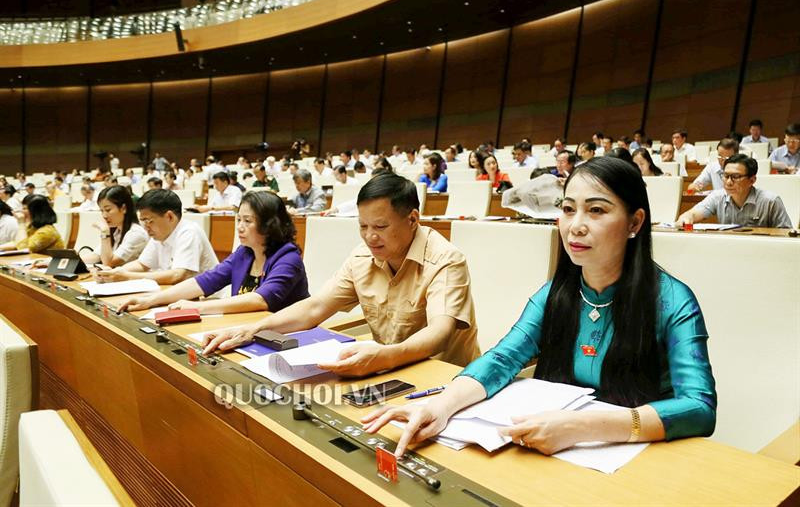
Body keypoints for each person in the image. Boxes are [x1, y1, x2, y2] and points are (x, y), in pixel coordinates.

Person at [363, 157, 717, 457]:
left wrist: (582, 427)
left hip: (638, 456)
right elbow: (503, 358)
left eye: (596, 210)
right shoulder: (557, 293)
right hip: (554, 451)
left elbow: (700, 409)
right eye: (567, 209)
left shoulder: (671, 300)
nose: (575, 226)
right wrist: (440, 406)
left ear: (634, 223)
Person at [202, 173, 480, 375]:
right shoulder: (363, 257)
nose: (370, 237)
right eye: (363, 226)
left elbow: (439, 333)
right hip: (384, 370)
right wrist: (252, 330)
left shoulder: (445, 260)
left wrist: (384, 357)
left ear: (413, 219)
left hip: (445, 379)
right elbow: (316, 307)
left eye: (380, 227)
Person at [119, 192, 309, 315]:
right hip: (245, 327)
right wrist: (150, 300)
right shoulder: (244, 254)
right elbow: (204, 281)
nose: (239, 227)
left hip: (285, 337)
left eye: (247, 221)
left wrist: (198, 307)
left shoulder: (288, 258)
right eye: (238, 220)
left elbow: (260, 299)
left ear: (269, 225)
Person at [93, 189, 218, 284]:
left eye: (148, 220)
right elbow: (142, 265)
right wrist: (113, 273)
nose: (146, 226)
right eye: (143, 221)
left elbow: (178, 275)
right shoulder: (158, 235)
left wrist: (126, 276)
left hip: (210, 301)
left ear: (169, 217)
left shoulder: (189, 231)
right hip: (182, 296)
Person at [677, 154, 792, 228]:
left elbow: (786, 235)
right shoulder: (718, 196)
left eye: (735, 176)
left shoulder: (770, 201)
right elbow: (692, 214)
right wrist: (686, 218)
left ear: (752, 180)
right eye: (725, 176)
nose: (728, 182)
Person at [79, 185, 149, 268]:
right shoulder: (116, 230)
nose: (104, 215)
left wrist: (105, 232)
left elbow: (109, 262)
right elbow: (97, 255)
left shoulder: (136, 233)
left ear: (123, 208)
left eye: (108, 210)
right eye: (102, 211)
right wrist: (73, 260)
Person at [0, 194, 64, 253]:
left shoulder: (47, 232)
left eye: (25, 208)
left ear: (37, 212)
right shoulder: (32, 227)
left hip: (48, 264)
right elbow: (17, 243)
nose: (22, 211)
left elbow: (23, 249)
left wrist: (21, 223)